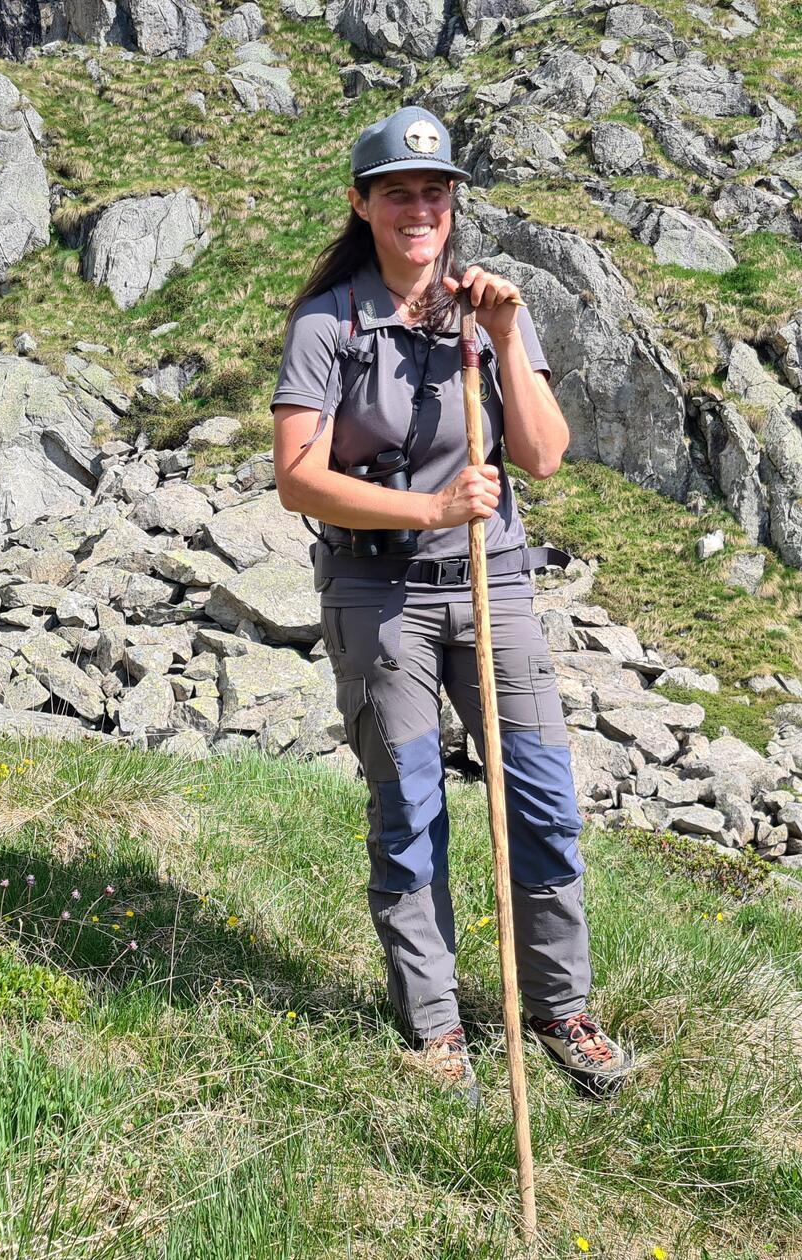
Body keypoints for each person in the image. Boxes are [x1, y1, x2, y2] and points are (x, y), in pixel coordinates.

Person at [270, 105, 631, 1102]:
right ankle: (435, 1030)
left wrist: (509, 337)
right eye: (398, 194)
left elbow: (545, 455)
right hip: (377, 589)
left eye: (435, 192)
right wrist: (428, 503)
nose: (419, 209)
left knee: (545, 802)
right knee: (412, 810)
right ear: (363, 204)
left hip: (492, 583)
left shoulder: (487, 309)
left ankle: (560, 1007)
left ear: (453, 203)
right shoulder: (328, 323)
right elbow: (297, 479)